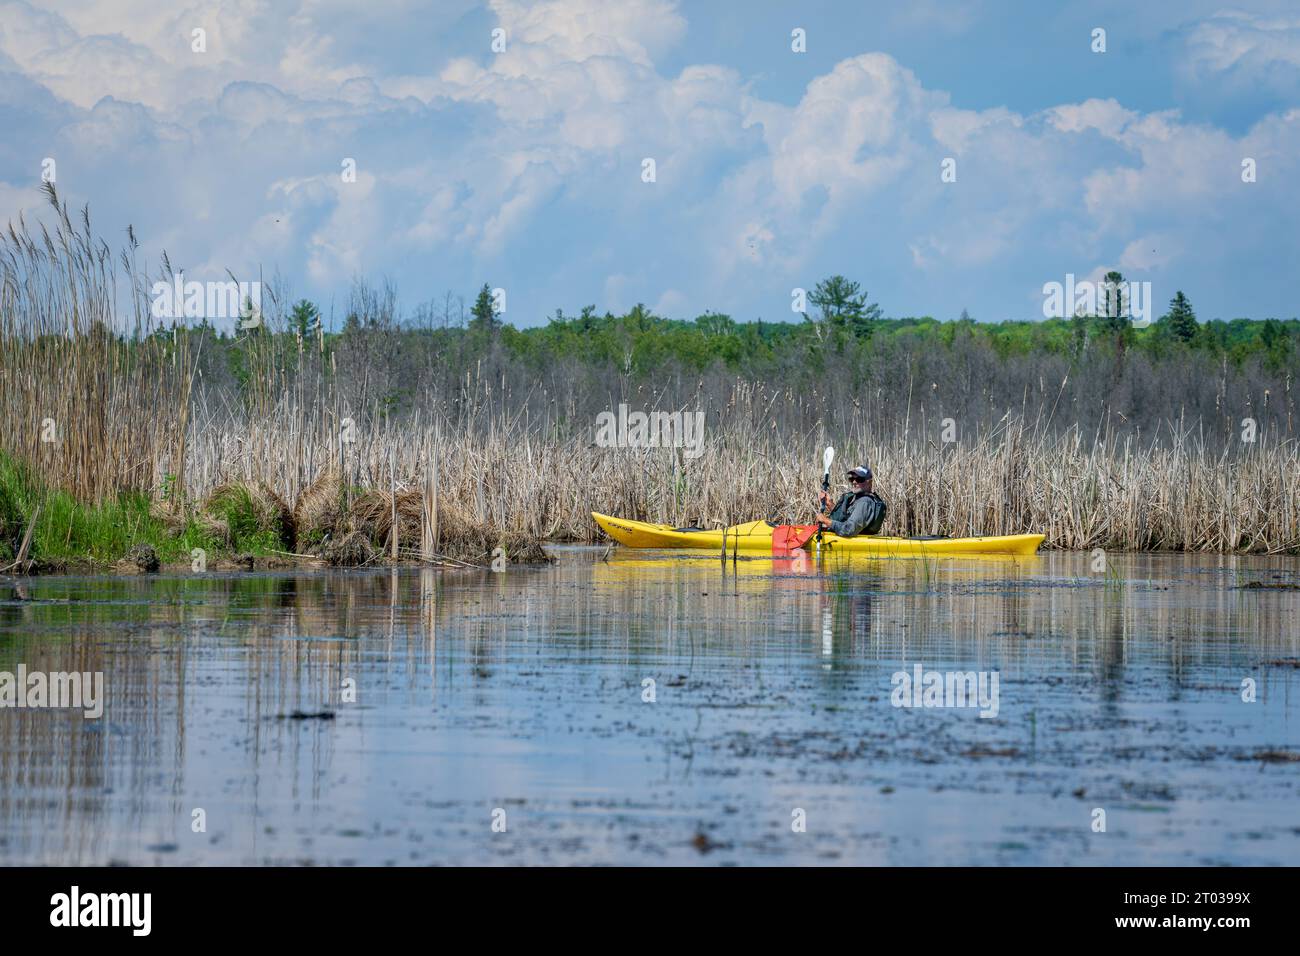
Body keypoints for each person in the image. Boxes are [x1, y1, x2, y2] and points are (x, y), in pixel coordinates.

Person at [816, 465, 887, 537]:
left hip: (857, 543)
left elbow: (849, 530)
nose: (854, 482)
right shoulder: (858, 498)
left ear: (869, 482)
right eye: (852, 479)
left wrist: (826, 521)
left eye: (859, 479)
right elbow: (846, 518)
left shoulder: (864, 502)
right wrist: (830, 504)